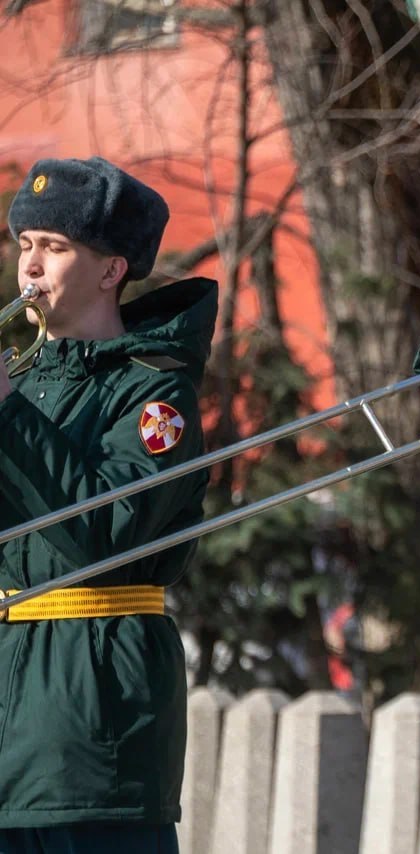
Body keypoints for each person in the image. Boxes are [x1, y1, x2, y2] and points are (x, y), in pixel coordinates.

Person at [0, 157, 216, 852]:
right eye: (25, 245)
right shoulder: (23, 383)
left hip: (92, 722)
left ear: (111, 269)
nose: (30, 267)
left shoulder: (154, 395)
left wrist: (9, 418)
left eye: (54, 248)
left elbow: (103, 536)